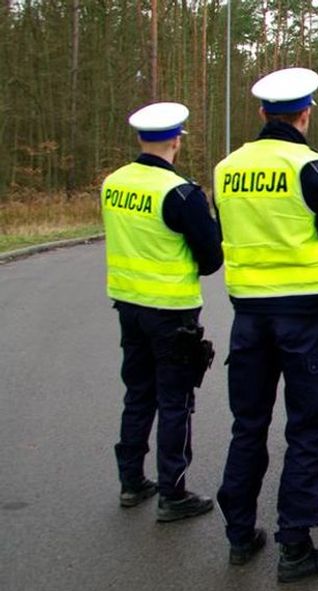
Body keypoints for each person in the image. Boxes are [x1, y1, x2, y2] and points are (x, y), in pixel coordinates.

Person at [214, 67, 318, 581]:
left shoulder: (225, 169)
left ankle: (239, 536)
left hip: (248, 319)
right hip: (302, 320)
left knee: (247, 427)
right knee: (306, 429)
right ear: (306, 113)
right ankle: (294, 548)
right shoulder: (314, 169)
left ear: (261, 113)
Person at [102, 102, 222, 522]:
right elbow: (210, 260)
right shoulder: (181, 193)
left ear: (139, 139)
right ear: (176, 140)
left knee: (138, 394)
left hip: (128, 306)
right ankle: (174, 492)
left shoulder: (113, 183)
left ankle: (131, 482)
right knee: (175, 401)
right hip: (171, 312)